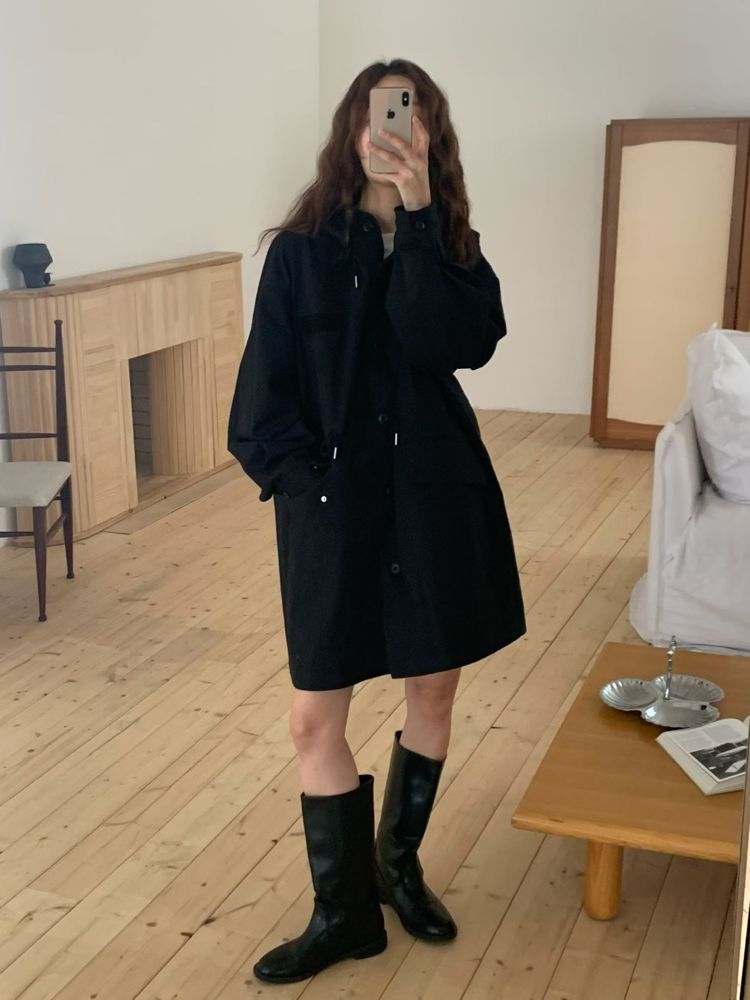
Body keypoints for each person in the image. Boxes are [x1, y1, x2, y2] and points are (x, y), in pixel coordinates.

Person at [227, 58, 527, 985]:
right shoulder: (299, 253)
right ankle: (343, 913)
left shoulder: (454, 249)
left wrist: (422, 215)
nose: (389, 130)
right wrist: (309, 492)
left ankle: (397, 867)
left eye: (408, 116)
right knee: (313, 716)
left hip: (434, 502)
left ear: (430, 135)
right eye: (375, 114)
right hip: (333, 511)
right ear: (349, 130)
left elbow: (454, 343)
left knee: (432, 691)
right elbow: (260, 406)